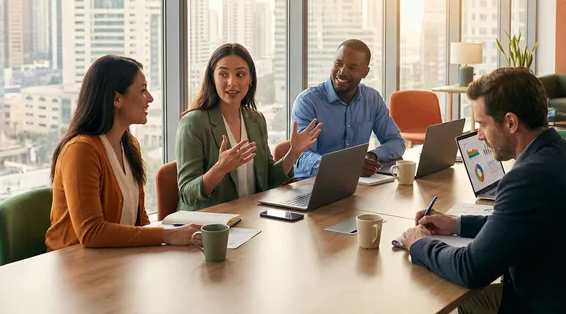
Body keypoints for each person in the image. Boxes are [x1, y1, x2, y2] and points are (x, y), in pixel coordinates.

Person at [399, 68, 566, 314]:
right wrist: (456, 224)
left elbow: (470, 269)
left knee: (451, 296)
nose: (480, 136)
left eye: (483, 125)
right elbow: (516, 223)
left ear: (510, 122)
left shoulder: (528, 178)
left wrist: (419, 244)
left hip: (552, 304)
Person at [46, 56, 198, 250]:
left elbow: (139, 219)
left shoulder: (129, 144)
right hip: (77, 265)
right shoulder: (80, 150)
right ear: (117, 98)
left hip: (118, 260)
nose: (150, 98)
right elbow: (91, 232)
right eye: (143, 90)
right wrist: (168, 235)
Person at [176, 43, 321, 210]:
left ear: (250, 79)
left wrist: (294, 153)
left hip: (251, 217)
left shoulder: (256, 119)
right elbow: (187, 194)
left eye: (240, 74)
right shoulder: (193, 122)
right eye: (223, 74)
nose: (232, 82)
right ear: (212, 78)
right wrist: (219, 169)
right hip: (211, 224)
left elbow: (268, 181)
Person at [291, 39, 405, 179]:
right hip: (312, 183)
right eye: (338, 64)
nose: (342, 72)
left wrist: (371, 156)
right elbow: (301, 156)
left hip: (356, 182)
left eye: (352, 68)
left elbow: (396, 141)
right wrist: (347, 166)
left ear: (365, 72)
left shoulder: (372, 98)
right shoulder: (307, 101)